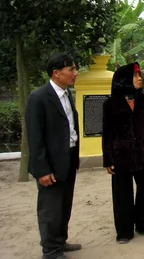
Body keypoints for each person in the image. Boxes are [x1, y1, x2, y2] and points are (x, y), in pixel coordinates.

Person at [26, 53, 82, 259]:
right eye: (72, 69)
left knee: (64, 205)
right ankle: (50, 251)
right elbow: (35, 137)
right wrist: (42, 169)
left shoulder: (67, 94)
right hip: (50, 164)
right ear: (56, 73)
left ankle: (60, 241)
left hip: (68, 159)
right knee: (50, 208)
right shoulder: (38, 98)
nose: (75, 73)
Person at [102, 62, 144, 244]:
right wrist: (108, 159)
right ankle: (124, 232)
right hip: (121, 155)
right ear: (124, 80)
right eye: (136, 75)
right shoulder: (110, 104)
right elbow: (107, 134)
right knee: (122, 194)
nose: (140, 78)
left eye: (140, 75)